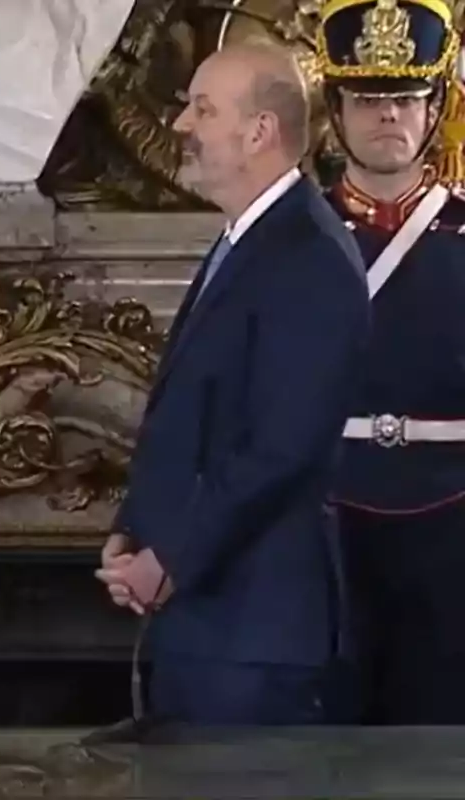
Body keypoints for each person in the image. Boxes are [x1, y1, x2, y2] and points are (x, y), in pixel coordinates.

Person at [94, 42, 372, 725]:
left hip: (256, 636)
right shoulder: (249, 240)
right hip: (212, 626)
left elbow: (280, 449)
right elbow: (194, 416)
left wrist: (173, 557)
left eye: (203, 108)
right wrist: (134, 530)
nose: (182, 125)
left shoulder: (308, 255)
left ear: (259, 132)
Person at [315, 0, 465, 724]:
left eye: (405, 98)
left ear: (435, 107)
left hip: (454, 521)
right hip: (324, 517)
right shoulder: (291, 238)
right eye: (368, 98)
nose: (387, 116)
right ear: (335, 108)